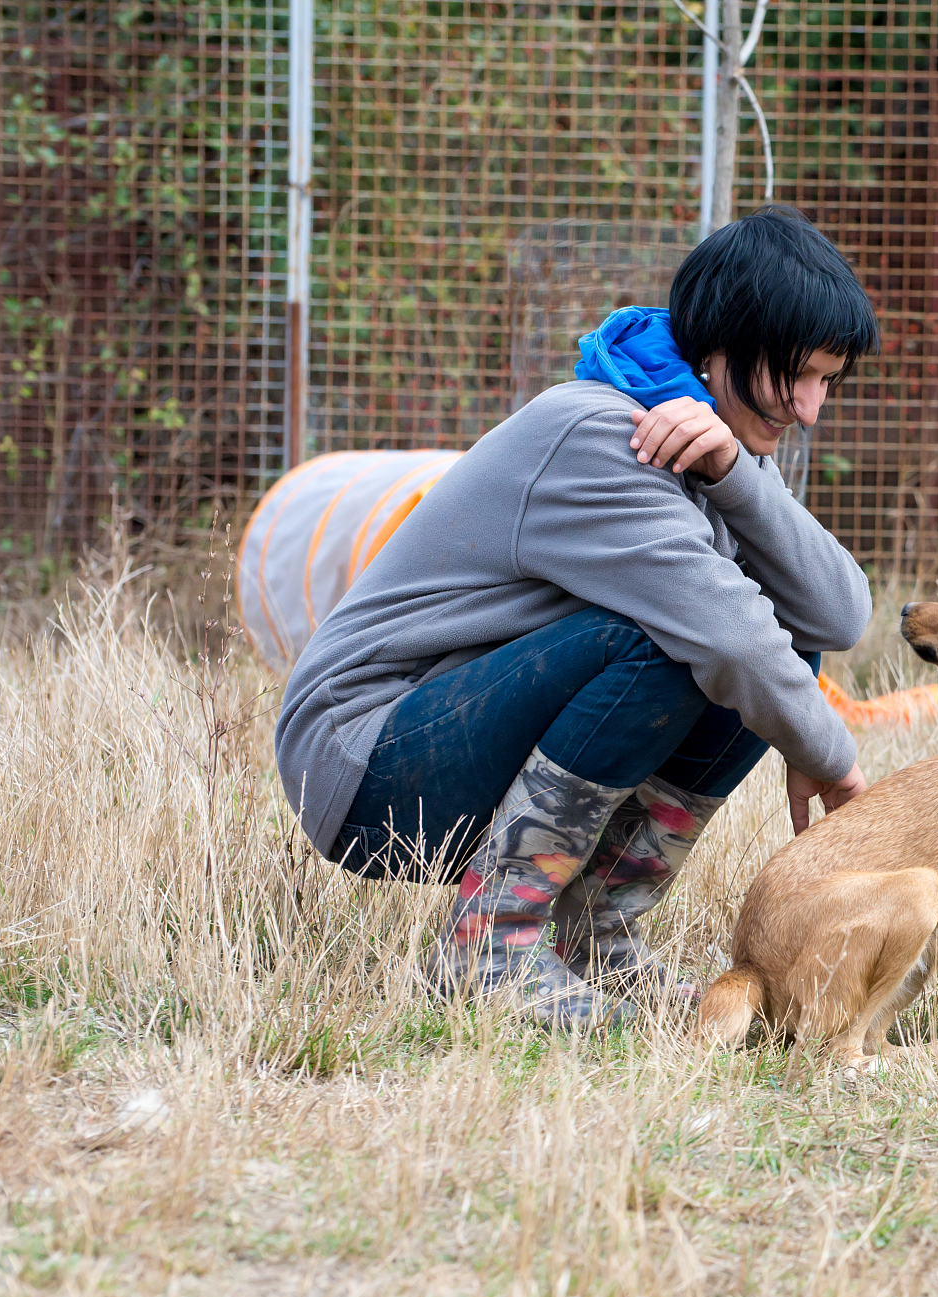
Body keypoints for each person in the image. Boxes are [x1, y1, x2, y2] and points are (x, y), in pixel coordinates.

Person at [274, 206, 878, 1027]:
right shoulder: (604, 435)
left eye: (827, 382)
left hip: (454, 733)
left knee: (772, 636)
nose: (809, 407)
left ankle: (597, 932)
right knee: (683, 637)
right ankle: (489, 942)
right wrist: (834, 761)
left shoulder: (711, 439)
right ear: (721, 349)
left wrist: (737, 472)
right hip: (366, 762)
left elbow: (836, 614)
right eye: (797, 375)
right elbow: (729, 635)